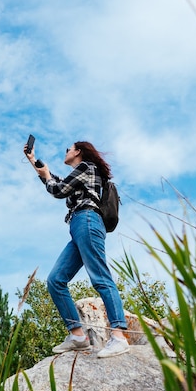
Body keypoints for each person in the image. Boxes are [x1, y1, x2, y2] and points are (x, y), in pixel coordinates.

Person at [24, 140, 130, 358]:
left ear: (78, 151)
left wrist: (45, 176)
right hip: (79, 226)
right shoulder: (82, 173)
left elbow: (58, 189)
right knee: (56, 280)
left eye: (68, 149)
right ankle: (78, 336)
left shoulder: (86, 167)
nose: (66, 152)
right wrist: (35, 162)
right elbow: (59, 182)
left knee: (100, 277)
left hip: (87, 221)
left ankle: (119, 336)